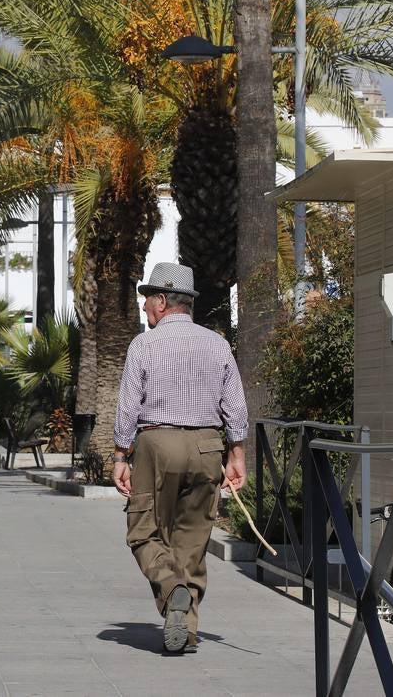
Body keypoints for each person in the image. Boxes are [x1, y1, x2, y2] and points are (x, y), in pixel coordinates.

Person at [112, 262, 247, 655]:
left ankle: (171, 590)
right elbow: (234, 407)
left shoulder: (144, 345)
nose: (143, 310)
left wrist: (121, 455)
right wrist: (237, 454)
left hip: (157, 443)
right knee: (192, 540)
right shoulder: (218, 344)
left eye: (146, 301)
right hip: (208, 446)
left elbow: (127, 407)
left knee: (142, 529)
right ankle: (186, 630)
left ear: (160, 300)